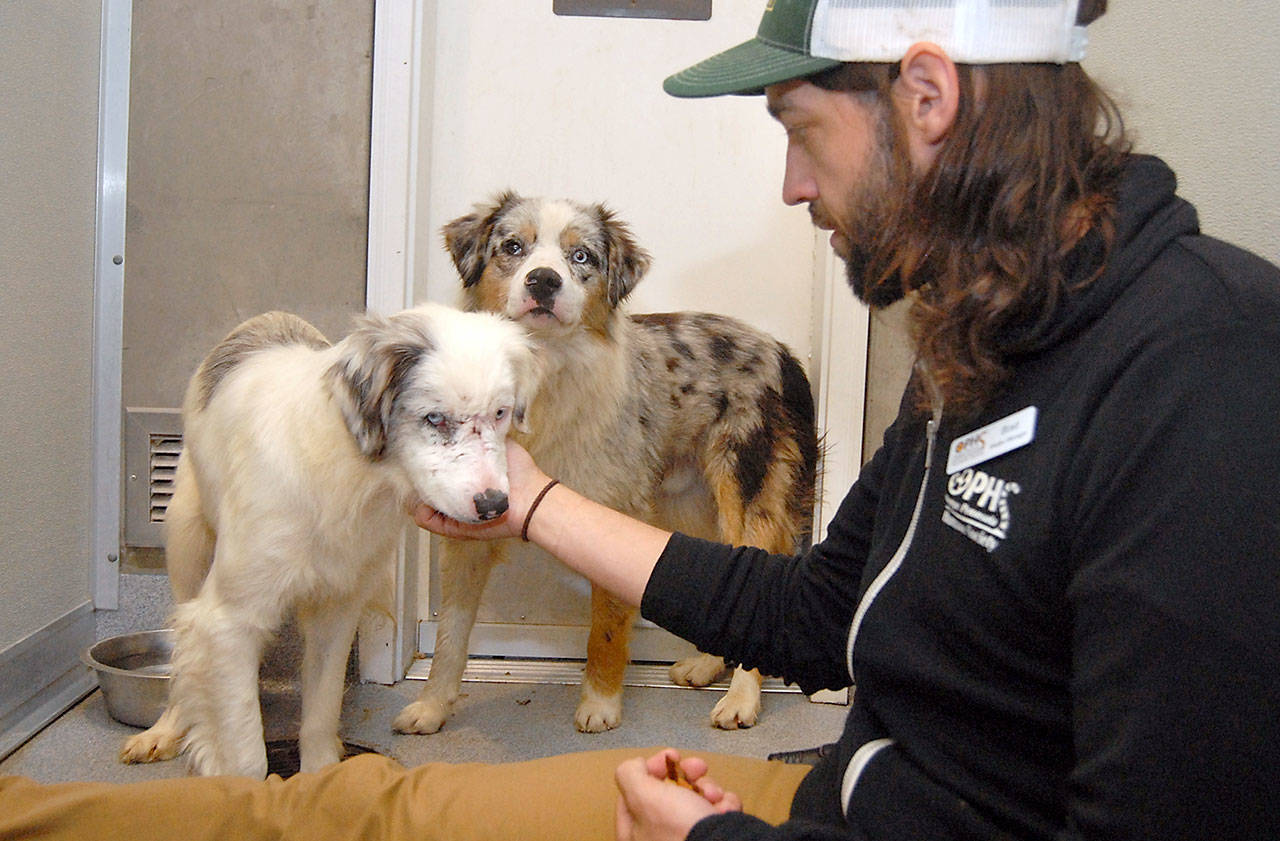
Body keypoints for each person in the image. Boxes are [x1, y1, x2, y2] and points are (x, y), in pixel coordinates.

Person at [3, 0, 1278, 839]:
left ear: (925, 96)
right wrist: (532, 498)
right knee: (352, 805)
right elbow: (815, 616)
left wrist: (720, 839)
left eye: (797, 132)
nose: (792, 188)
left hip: (810, 821)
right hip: (838, 795)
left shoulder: (1204, 380)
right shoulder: (974, 340)